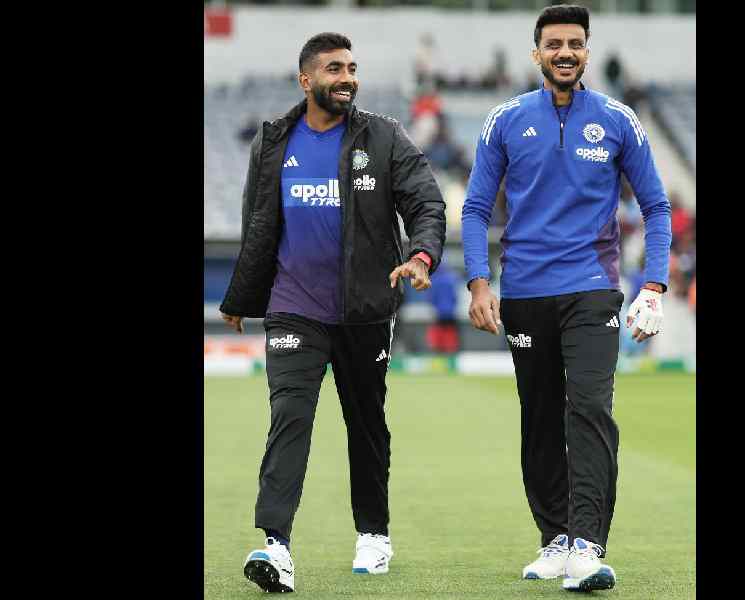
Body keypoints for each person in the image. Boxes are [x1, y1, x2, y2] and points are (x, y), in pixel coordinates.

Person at [219, 32, 446, 593]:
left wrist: (421, 254)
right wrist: (244, 296)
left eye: (352, 67)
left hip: (365, 309)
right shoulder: (274, 140)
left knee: (366, 424)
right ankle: (276, 544)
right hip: (294, 309)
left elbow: (426, 201)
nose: (347, 77)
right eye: (334, 69)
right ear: (306, 80)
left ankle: (373, 531)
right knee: (289, 418)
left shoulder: (385, 136)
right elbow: (258, 224)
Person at [461, 5, 671, 593]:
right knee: (539, 419)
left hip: (592, 289)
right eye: (553, 43)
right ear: (536, 54)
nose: (565, 53)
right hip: (524, 293)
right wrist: (479, 282)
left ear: (586, 51)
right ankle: (553, 540)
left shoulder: (617, 119)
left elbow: (656, 206)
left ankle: (587, 544)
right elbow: (476, 209)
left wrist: (653, 283)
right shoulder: (505, 120)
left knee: (590, 408)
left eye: (575, 43)